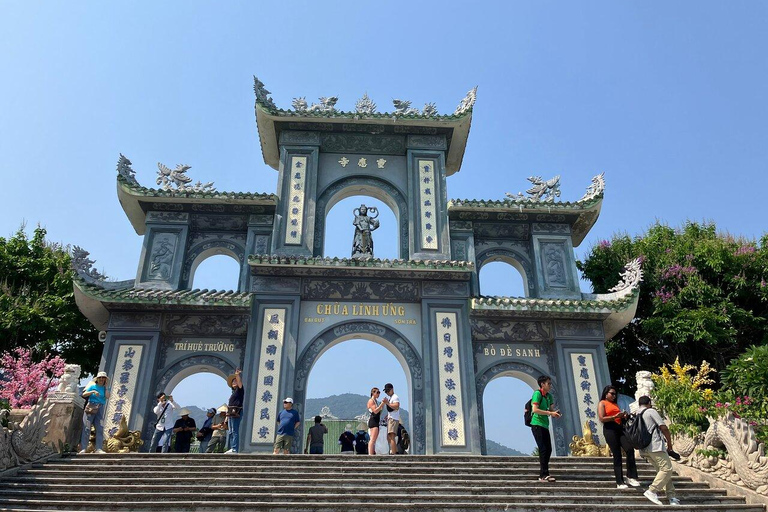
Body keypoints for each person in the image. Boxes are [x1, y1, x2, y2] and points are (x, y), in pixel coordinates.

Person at [637, 396, 681, 506]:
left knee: (662, 472)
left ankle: (672, 497)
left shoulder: (635, 413)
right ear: (649, 403)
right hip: (655, 445)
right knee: (667, 469)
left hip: (644, 448)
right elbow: (663, 427)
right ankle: (652, 491)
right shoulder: (650, 411)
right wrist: (670, 444)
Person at [598, 385, 640, 489]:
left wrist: (623, 416)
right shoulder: (602, 403)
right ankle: (619, 481)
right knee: (617, 455)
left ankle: (631, 476)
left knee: (629, 449)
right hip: (609, 429)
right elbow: (602, 418)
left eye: (615, 394)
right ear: (606, 394)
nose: (613, 395)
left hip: (619, 428)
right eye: (611, 393)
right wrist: (614, 417)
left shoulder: (615, 404)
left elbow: (618, 417)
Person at [530, 375, 561, 482]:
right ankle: (543, 475)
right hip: (537, 424)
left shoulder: (549, 396)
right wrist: (549, 413)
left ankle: (544, 473)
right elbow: (535, 409)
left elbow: (551, 409)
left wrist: (555, 413)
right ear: (542, 384)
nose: (550, 385)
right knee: (543, 449)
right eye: (548, 383)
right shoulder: (537, 394)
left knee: (548, 449)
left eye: (550, 383)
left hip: (544, 425)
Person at [79, 371, 110, 454]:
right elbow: (84, 394)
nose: (101, 379)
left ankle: (99, 448)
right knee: (87, 427)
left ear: (105, 379)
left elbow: (107, 396)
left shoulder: (105, 388)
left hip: (100, 408)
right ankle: (83, 448)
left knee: (100, 428)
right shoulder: (92, 386)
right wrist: (92, 391)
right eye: (100, 378)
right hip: (91, 407)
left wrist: (106, 387)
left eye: (103, 378)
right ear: (97, 379)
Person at [225, 369, 244, 453]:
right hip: (230, 413)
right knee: (231, 431)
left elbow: (240, 383)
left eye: (235, 381)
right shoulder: (233, 393)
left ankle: (235, 448)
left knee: (235, 430)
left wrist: (237, 375)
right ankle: (232, 447)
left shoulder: (240, 390)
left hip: (236, 412)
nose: (234, 382)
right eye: (233, 381)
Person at [381, 382, 400, 455]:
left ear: (392, 389)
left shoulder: (395, 397)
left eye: (388, 390)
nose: (387, 392)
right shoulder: (391, 398)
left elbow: (396, 406)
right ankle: (396, 450)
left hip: (393, 419)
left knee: (391, 436)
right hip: (391, 418)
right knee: (389, 437)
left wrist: (387, 403)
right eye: (386, 391)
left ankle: (394, 453)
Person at [366, 387, 385, 455]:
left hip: (376, 420)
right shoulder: (371, 401)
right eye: (377, 392)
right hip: (373, 421)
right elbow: (375, 411)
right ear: (373, 393)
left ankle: (372, 452)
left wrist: (382, 406)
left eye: (379, 392)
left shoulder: (376, 401)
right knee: (373, 439)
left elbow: (379, 411)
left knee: (374, 439)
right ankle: (370, 454)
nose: (378, 394)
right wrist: (382, 404)